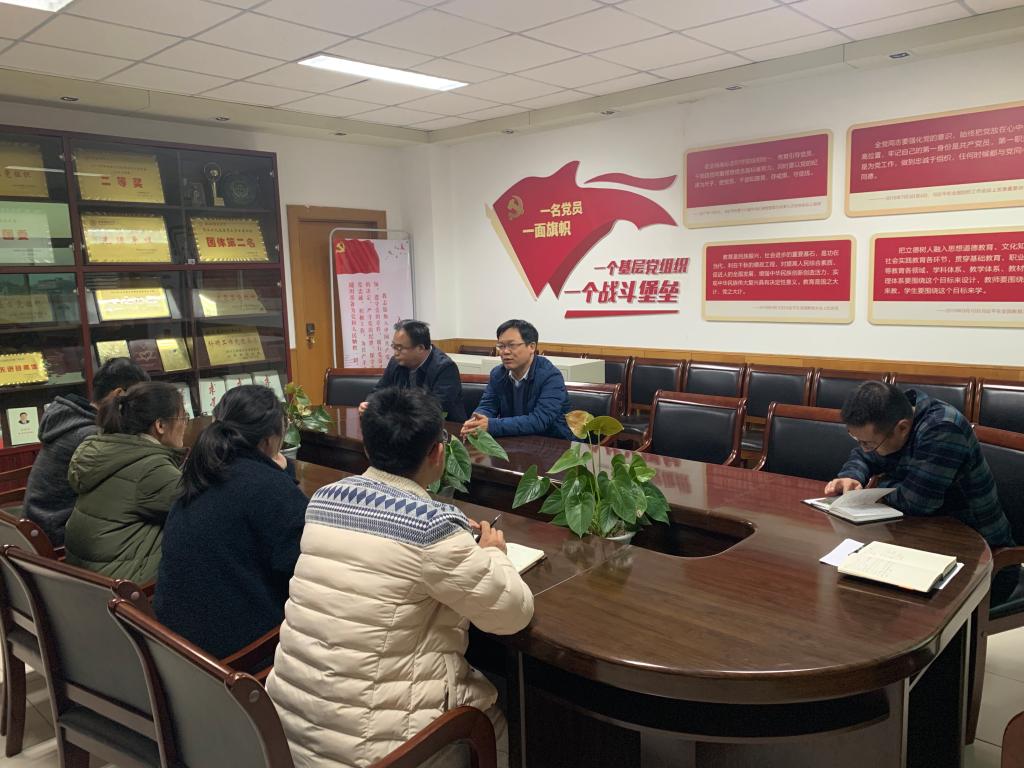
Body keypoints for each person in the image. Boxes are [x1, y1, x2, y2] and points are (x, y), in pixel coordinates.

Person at [267, 387, 534, 768]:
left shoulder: (324, 500)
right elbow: (512, 614)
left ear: (366, 448)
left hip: (284, 732)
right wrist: (493, 553)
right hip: (375, 755)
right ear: (437, 453)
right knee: (496, 727)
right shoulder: (431, 527)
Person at [826, 382, 1022, 601]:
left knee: (880, 601)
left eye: (868, 443)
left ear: (902, 428)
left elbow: (917, 502)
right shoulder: (891, 418)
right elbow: (864, 456)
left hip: (980, 557)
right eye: (858, 440)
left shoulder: (943, 429)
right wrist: (852, 476)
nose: (864, 447)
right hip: (921, 540)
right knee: (857, 589)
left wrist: (875, 491)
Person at [155, 384, 308, 661]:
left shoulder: (198, 472)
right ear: (270, 440)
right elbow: (304, 575)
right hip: (239, 657)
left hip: (176, 647)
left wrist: (279, 475)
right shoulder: (268, 488)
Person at [64, 381, 186, 583]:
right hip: (126, 589)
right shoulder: (151, 468)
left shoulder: (105, 450)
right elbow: (201, 508)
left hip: (88, 582)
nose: (185, 425)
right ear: (160, 426)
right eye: (183, 417)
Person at [23, 357, 150, 545]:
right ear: (119, 394)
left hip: (40, 522)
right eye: (139, 400)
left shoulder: (72, 420)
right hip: (58, 531)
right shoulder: (91, 437)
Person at [460, 319, 573, 441]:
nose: (505, 351)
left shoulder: (551, 377)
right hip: (514, 440)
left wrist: (491, 425)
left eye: (512, 345)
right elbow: (488, 406)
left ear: (531, 347)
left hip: (553, 443)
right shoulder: (498, 374)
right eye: (501, 346)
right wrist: (475, 423)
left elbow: (539, 420)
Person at [359, 319, 466, 421]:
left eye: (399, 348)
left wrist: (392, 410)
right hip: (403, 424)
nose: (395, 353)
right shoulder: (396, 362)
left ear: (420, 348)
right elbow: (379, 390)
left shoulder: (445, 368)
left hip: (445, 427)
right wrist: (369, 404)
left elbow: (437, 408)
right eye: (394, 347)